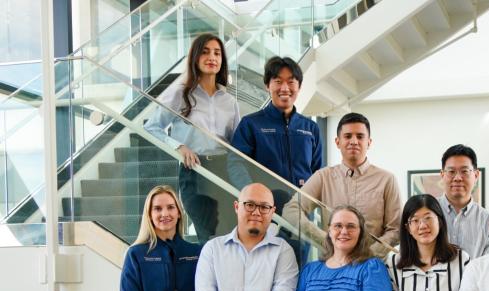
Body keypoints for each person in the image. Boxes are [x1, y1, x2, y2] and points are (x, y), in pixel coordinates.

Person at [144, 34, 240, 243]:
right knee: (209, 236)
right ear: (195, 57)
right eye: (205, 52)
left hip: (225, 172)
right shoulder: (180, 93)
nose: (211, 57)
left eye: (217, 53)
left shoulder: (229, 101)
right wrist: (178, 146)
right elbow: (151, 127)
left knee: (230, 238)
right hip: (195, 170)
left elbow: (238, 143)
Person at [283, 112, 401, 258]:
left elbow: (396, 229)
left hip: (373, 266)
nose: (353, 141)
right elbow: (290, 210)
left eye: (360, 136)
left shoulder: (387, 179)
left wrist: (371, 253)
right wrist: (325, 240)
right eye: (347, 136)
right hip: (332, 265)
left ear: (369, 142)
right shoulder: (323, 177)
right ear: (337, 142)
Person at [229, 56, 323, 200]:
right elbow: (236, 163)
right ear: (267, 85)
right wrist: (252, 195)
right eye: (278, 81)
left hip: (301, 210)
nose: (285, 88)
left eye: (291, 82)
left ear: (299, 86)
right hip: (264, 209)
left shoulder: (311, 128)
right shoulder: (251, 124)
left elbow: (318, 173)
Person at [437, 144, 489, 259]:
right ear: (442, 175)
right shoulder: (428, 212)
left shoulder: (487, 220)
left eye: (464, 171)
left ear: (476, 175)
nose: (458, 178)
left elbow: (488, 265)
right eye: (451, 171)